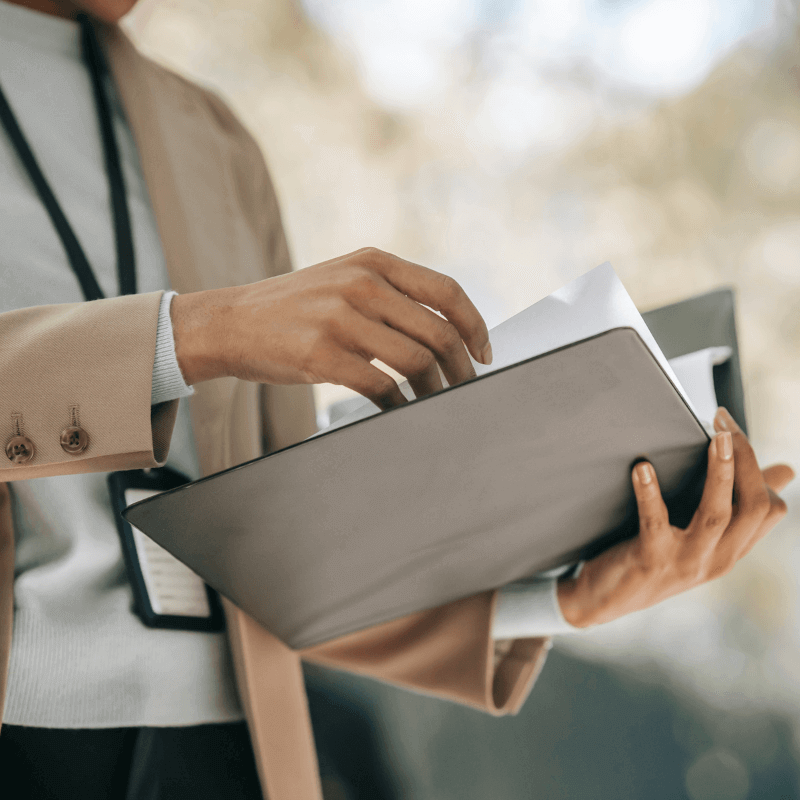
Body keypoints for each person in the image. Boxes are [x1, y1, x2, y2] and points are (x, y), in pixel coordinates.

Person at [0, 1, 794, 798]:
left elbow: (282, 553)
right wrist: (197, 335)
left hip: (239, 757)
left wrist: (560, 599)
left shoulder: (211, 135)